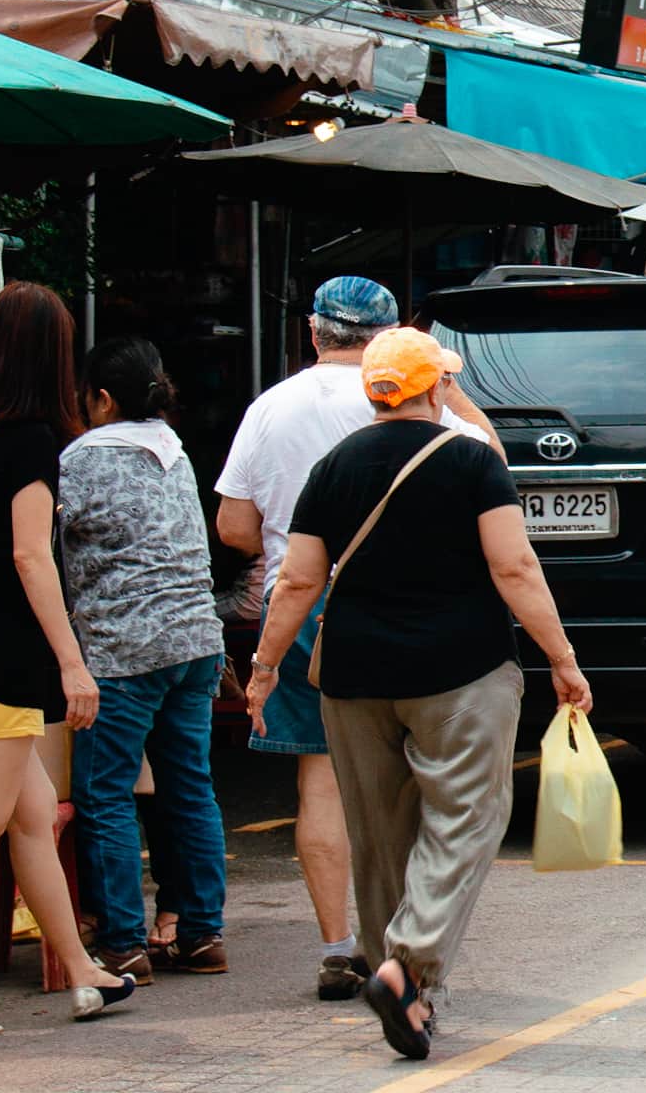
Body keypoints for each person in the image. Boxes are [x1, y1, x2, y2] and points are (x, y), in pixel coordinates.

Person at [245, 328, 588, 1063]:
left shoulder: (332, 468)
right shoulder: (472, 460)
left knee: (378, 836)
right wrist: (562, 658)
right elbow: (515, 568)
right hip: (462, 672)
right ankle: (410, 961)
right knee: (467, 816)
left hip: (355, 678)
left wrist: (265, 666)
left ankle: (403, 987)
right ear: (435, 388)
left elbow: (299, 580)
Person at [214, 276, 499, 1001]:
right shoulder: (426, 404)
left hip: (304, 610)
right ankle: (405, 947)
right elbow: (494, 472)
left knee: (324, 782)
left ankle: (340, 947)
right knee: (423, 788)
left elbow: (235, 527)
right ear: (394, 340)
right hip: (417, 609)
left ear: (313, 332)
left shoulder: (269, 408)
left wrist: (264, 660)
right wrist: (451, 391)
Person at [0, 283, 135, 1041]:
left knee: (33, 815)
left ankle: (80, 968)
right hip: (1, 655)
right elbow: (29, 555)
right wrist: (72, 664)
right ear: (54, 355)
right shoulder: (31, 438)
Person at [61, 338, 229, 982]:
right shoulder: (174, 451)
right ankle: (201, 932)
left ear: (101, 399)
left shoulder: (82, 459)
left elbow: (42, 542)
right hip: (195, 641)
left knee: (105, 794)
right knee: (189, 788)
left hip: (123, 649)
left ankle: (123, 942)